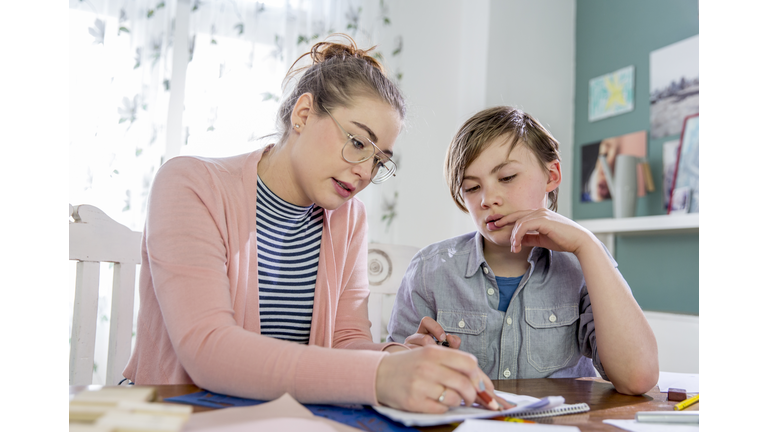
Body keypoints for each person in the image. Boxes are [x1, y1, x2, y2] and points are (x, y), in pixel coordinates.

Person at [123, 35, 506, 414]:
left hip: (276, 418)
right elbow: (207, 349)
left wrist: (398, 357)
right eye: (357, 142)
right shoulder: (190, 183)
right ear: (303, 114)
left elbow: (346, 339)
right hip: (174, 415)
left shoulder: (349, 217)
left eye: (378, 160)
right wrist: (380, 374)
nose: (363, 172)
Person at [387, 106, 659, 395]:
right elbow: (397, 377)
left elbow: (637, 378)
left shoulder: (584, 263)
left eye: (506, 178)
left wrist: (587, 245)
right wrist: (408, 361)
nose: (488, 199)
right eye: (472, 187)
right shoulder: (430, 270)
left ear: (552, 175)